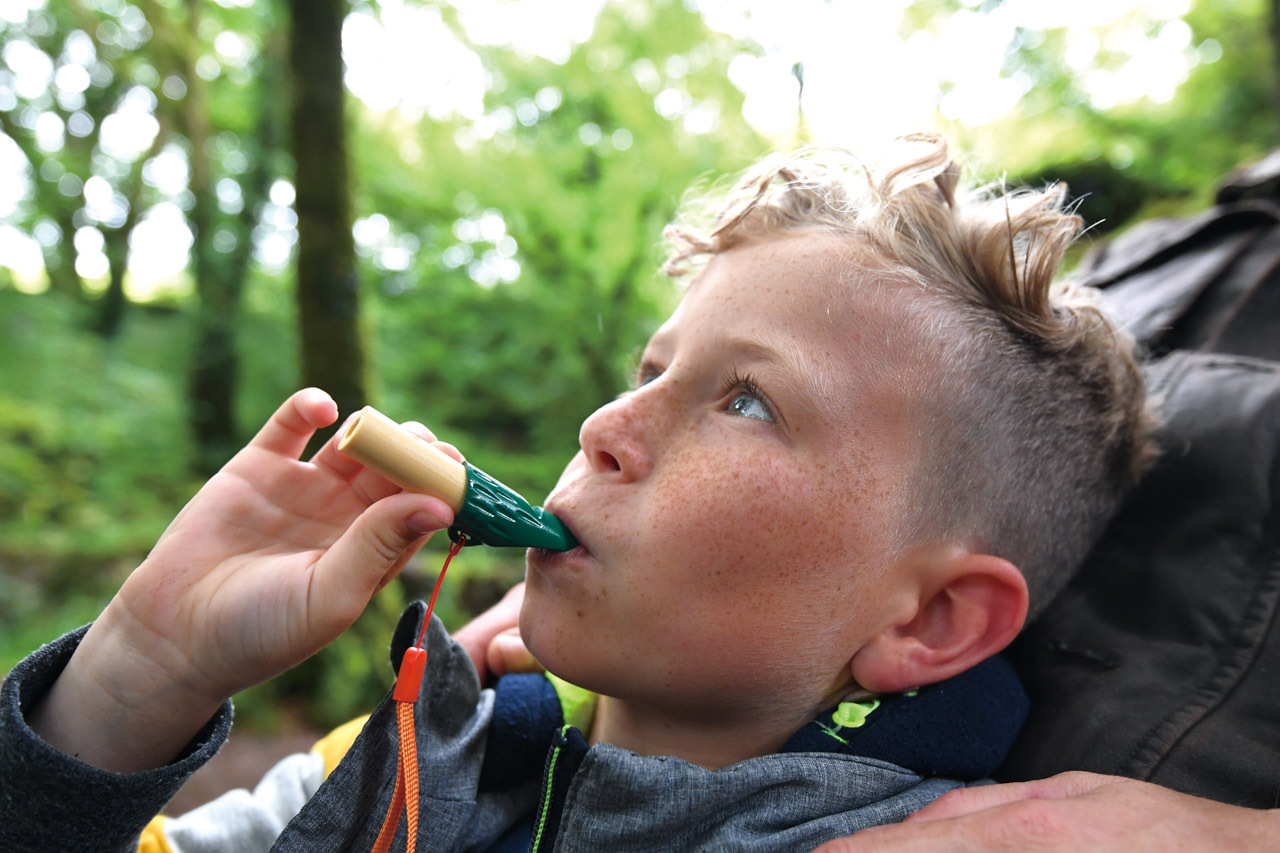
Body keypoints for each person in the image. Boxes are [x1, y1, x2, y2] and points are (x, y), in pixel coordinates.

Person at [0, 133, 1159, 852]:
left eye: (746, 401)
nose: (605, 426)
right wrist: (139, 674)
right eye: (649, 371)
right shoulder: (411, 759)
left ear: (930, 619)